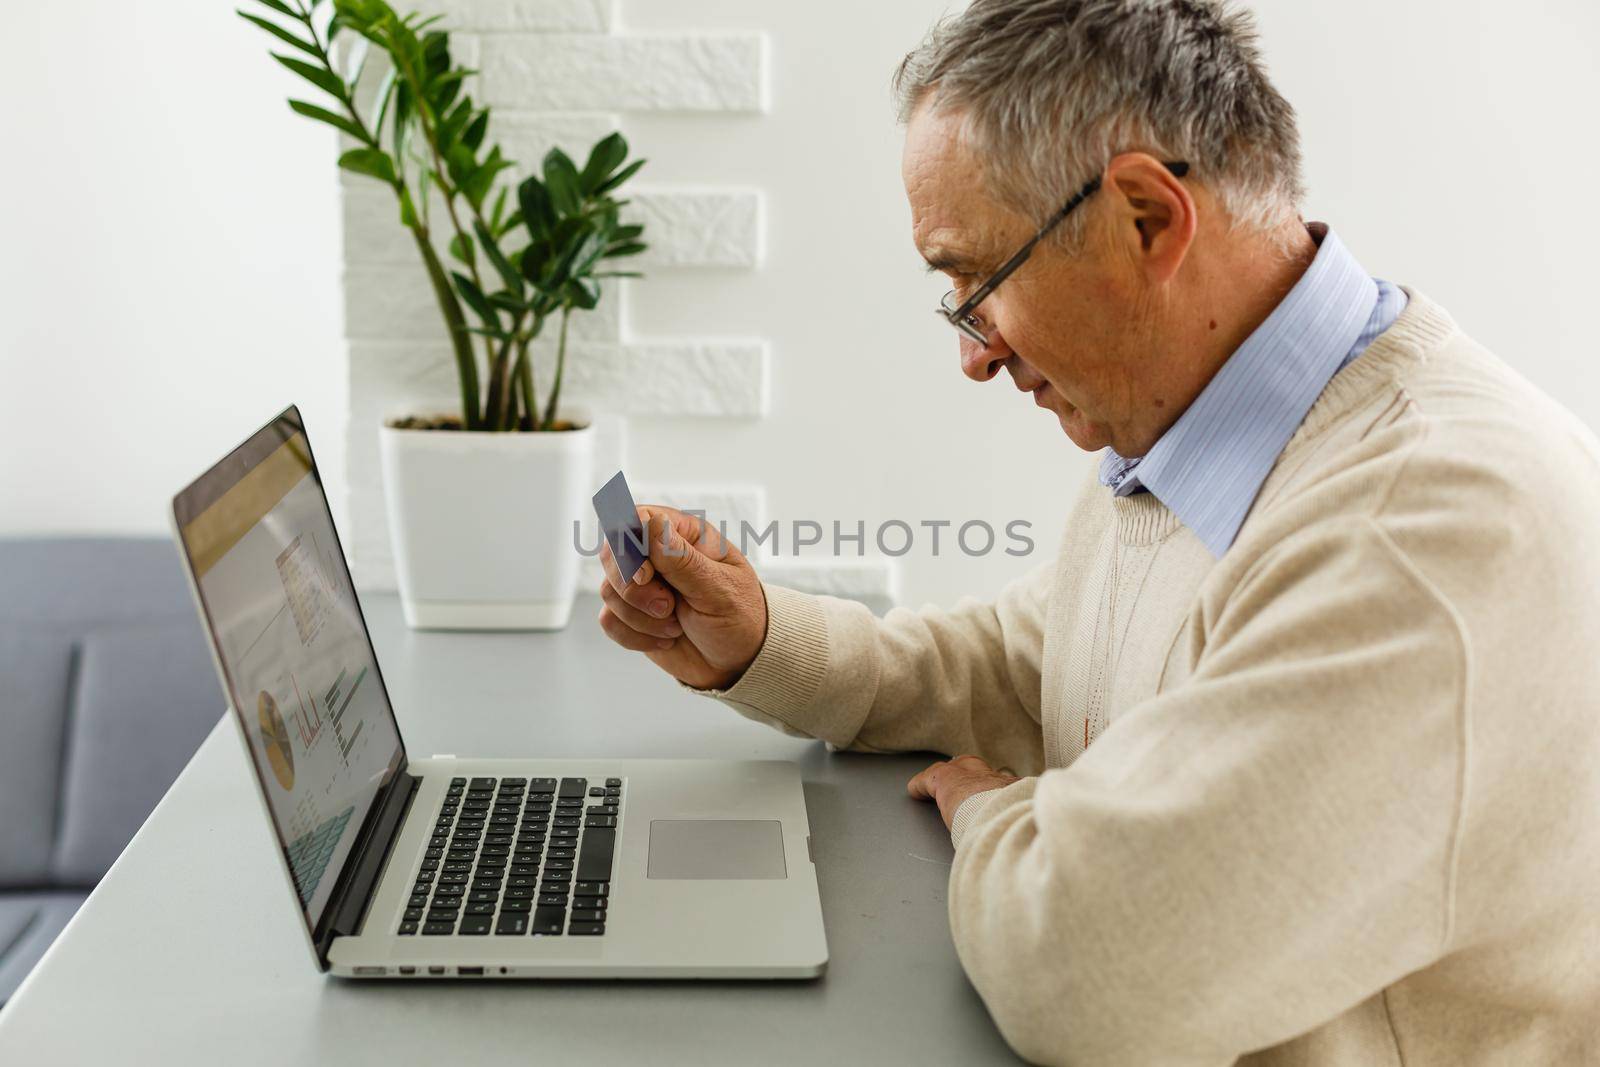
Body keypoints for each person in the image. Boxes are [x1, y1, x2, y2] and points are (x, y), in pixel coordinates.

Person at [595, 1, 1600, 1063]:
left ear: (1146, 220)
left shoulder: (1425, 530)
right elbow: (1044, 667)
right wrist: (757, 637)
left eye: (974, 284)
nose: (974, 355)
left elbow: (1092, 972)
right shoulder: (1205, 431)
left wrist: (996, 816)